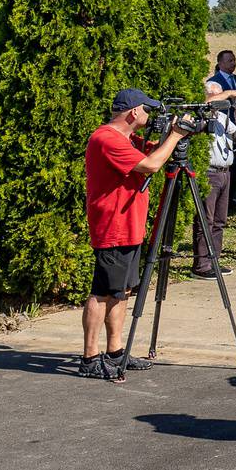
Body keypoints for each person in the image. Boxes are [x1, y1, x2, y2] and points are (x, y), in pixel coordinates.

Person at [81, 90, 188, 379]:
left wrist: (170, 135)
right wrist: (175, 135)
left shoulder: (128, 139)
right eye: (147, 111)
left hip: (130, 226)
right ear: (133, 113)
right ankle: (90, 357)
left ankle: (116, 351)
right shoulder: (106, 139)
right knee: (102, 292)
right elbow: (152, 164)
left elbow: (155, 152)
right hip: (113, 227)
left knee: (123, 290)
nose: (149, 116)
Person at [188, 81, 236, 277]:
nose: (221, 100)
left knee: (220, 220)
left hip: (225, 171)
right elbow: (207, 101)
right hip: (209, 172)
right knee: (206, 219)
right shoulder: (199, 115)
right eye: (216, 96)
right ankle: (201, 265)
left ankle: (214, 261)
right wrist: (228, 92)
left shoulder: (222, 117)